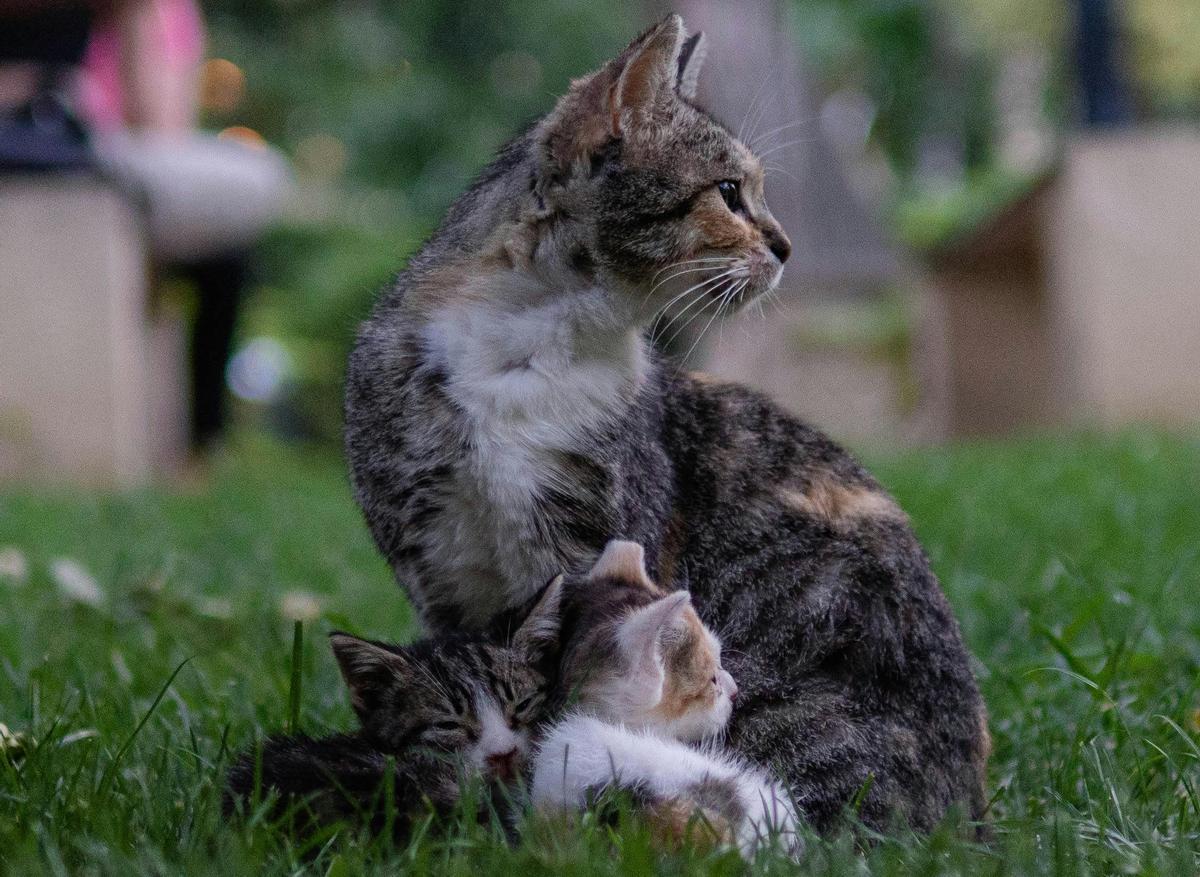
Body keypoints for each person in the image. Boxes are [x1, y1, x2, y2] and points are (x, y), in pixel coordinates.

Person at [0, 0, 290, 450]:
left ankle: (202, 443)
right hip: (62, 151)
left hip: (82, 151)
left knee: (231, 239)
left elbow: (157, 126)